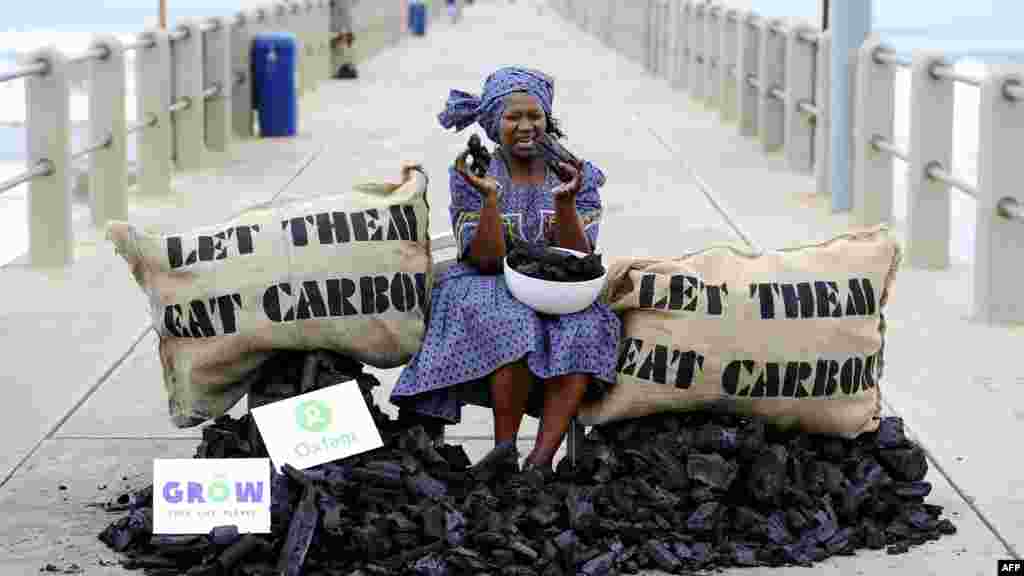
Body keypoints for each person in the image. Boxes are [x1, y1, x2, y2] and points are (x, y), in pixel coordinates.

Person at [390, 67, 622, 473]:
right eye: (514, 117)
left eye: (535, 115)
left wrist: (566, 203)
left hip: (557, 285)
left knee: (587, 327)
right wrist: (490, 201)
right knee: (511, 322)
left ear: (548, 118)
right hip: (486, 279)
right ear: (495, 124)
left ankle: (540, 461)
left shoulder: (575, 174)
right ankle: (504, 450)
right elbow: (483, 259)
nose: (526, 126)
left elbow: (577, 258)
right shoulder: (475, 172)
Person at [330, 0, 358, 79]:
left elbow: (345, 15)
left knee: (343, 44)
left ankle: (346, 68)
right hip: (341, 28)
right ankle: (346, 68)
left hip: (342, 29)